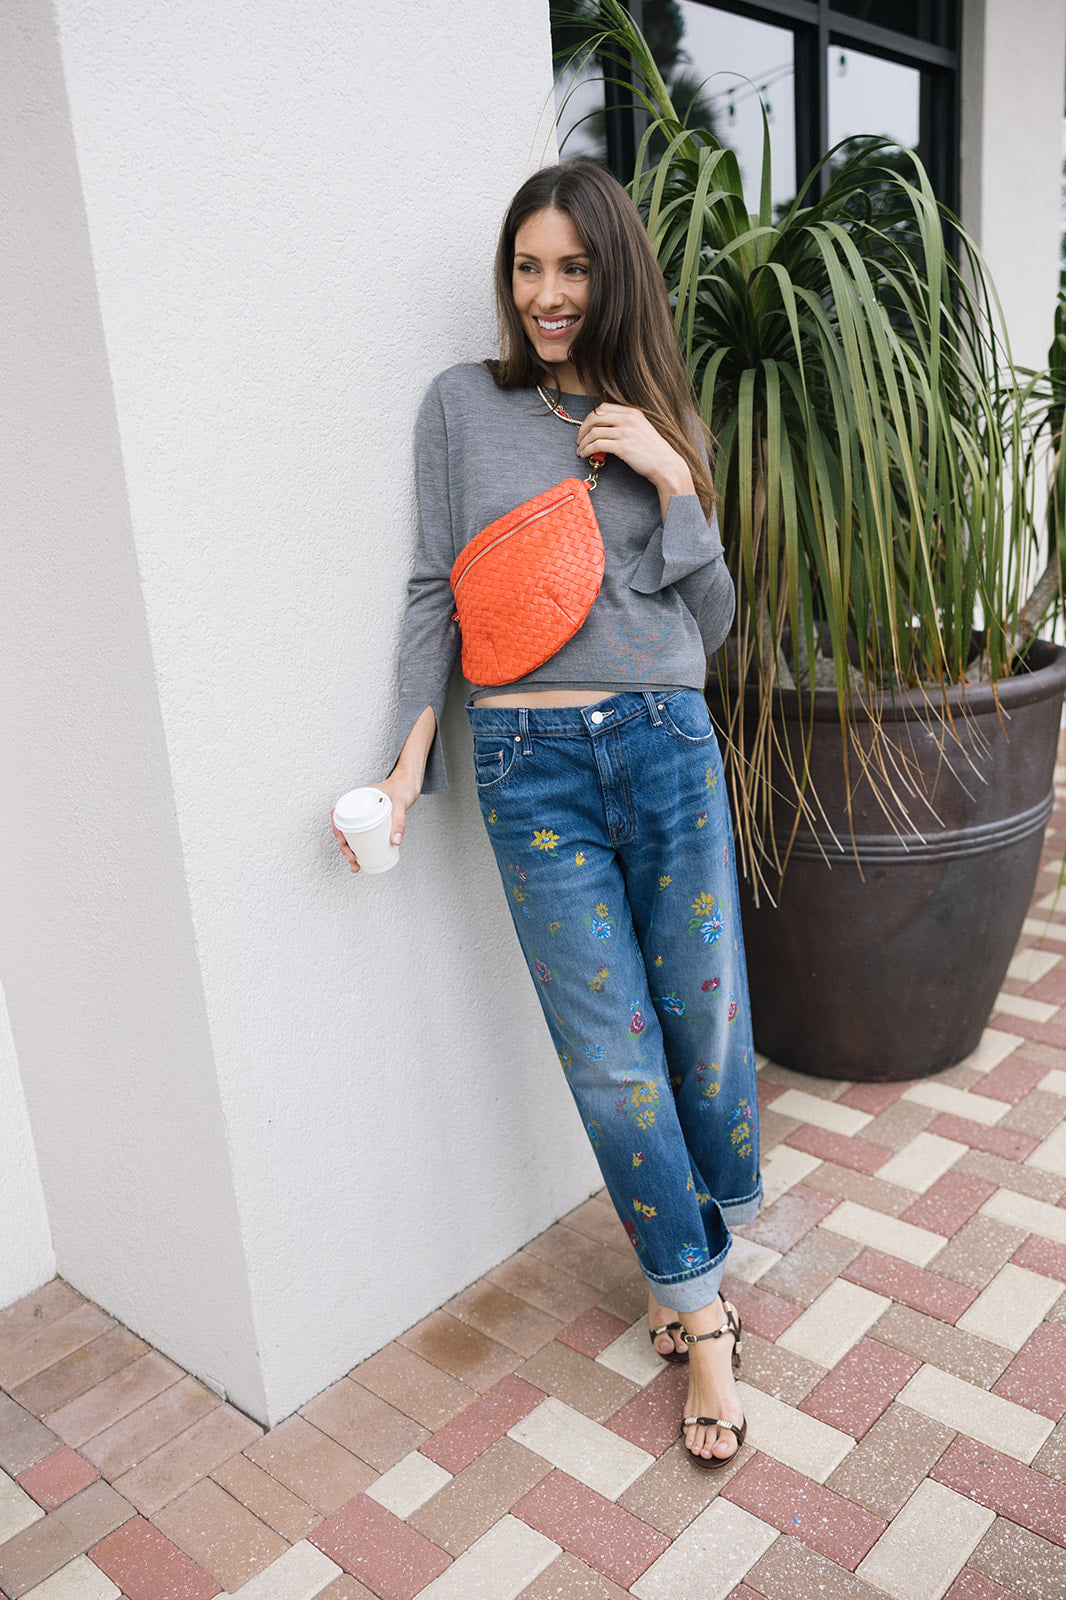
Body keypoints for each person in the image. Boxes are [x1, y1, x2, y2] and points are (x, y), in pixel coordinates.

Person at [333, 161, 761, 1467]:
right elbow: (432, 593)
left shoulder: (659, 418)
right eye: (528, 266)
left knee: (700, 1020)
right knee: (610, 1049)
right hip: (529, 764)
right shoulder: (459, 407)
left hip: (663, 740)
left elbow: (717, 623)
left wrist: (673, 482)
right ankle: (703, 1320)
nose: (547, 293)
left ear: (611, 275)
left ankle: (690, 1248)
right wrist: (406, 766)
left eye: (572, 268)